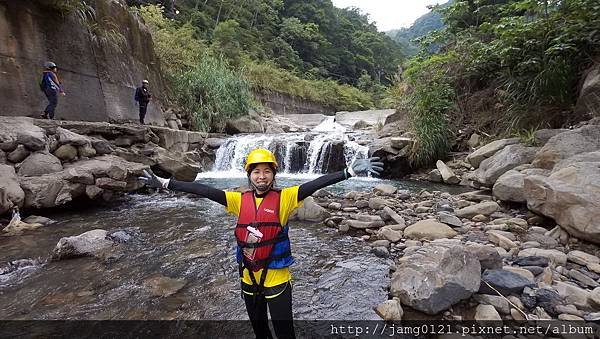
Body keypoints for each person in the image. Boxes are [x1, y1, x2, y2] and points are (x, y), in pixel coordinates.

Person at [139, 149, 383, 339]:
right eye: (256, 172)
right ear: (249, 175)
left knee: (285, 334)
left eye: (267, 171)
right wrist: (165, 183)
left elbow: (314, 184)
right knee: (260, 333)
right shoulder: (236, 200)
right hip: (248, 280)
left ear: (273, 175)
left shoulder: (286, 199)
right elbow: (203, 190)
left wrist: (347, 172)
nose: (262, 176)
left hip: (277, 280)